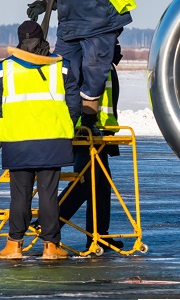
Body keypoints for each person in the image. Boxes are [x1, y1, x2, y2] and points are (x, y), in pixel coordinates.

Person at [27, 0, 135, 134]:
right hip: (70, 26)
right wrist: (45, 3)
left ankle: (88, 119)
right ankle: (68, 119)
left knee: (94, 71)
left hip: (98, 22)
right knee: (63, 71)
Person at [0, 20, 80, 260]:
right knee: (48, 195)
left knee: (20, 195)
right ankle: (51, 246)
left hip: (17, 143)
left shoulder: (4, 69)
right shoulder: (61, 67)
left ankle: (13, 245)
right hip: (52, 142)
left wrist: (8, 124)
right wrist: (65, 124)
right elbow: (74, 104)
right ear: (43, 39)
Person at [57, 34, 124, 251]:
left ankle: (99, 236)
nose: (117, 46)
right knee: (84, 183)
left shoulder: (105, 65)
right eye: (114, 42)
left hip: (101, 133)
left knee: (101, 187)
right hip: (86, 132)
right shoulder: (91, 64)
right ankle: (49, 223)